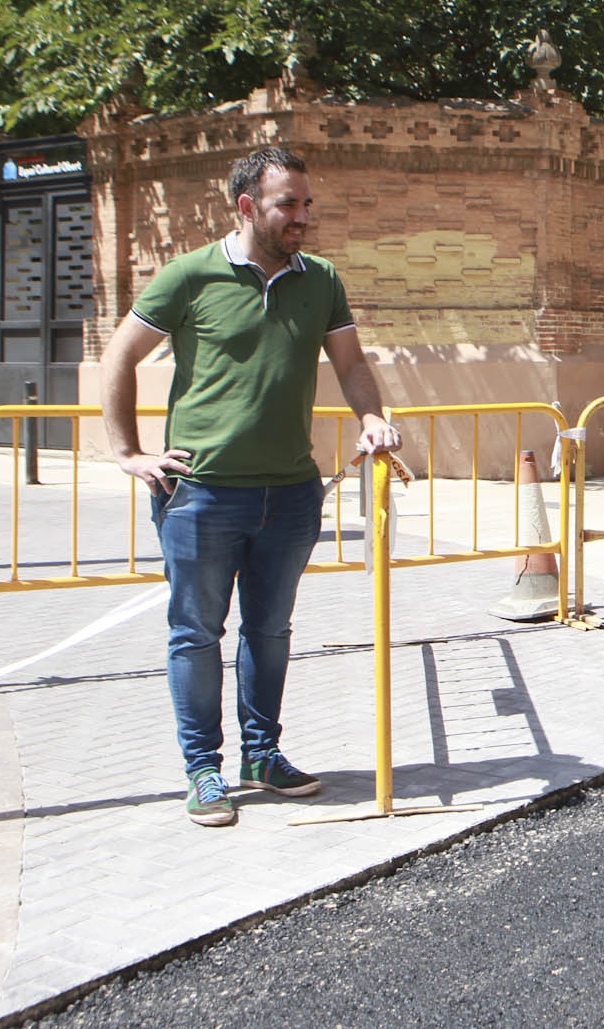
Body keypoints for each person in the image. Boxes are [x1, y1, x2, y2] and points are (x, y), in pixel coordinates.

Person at [101, 147, 401, 827]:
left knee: (268, 631)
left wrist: (373, 416)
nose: (302, 216)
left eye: (305, 203)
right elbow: (120, 355)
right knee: (197, 633)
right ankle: (203, 770)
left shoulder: (320, 279)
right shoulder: (190, 275)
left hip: (292, 493)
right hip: (202, 493)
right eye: (286, 204)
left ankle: (261, 756)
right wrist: (128, 452)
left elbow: (350, 363)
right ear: (246, 206)